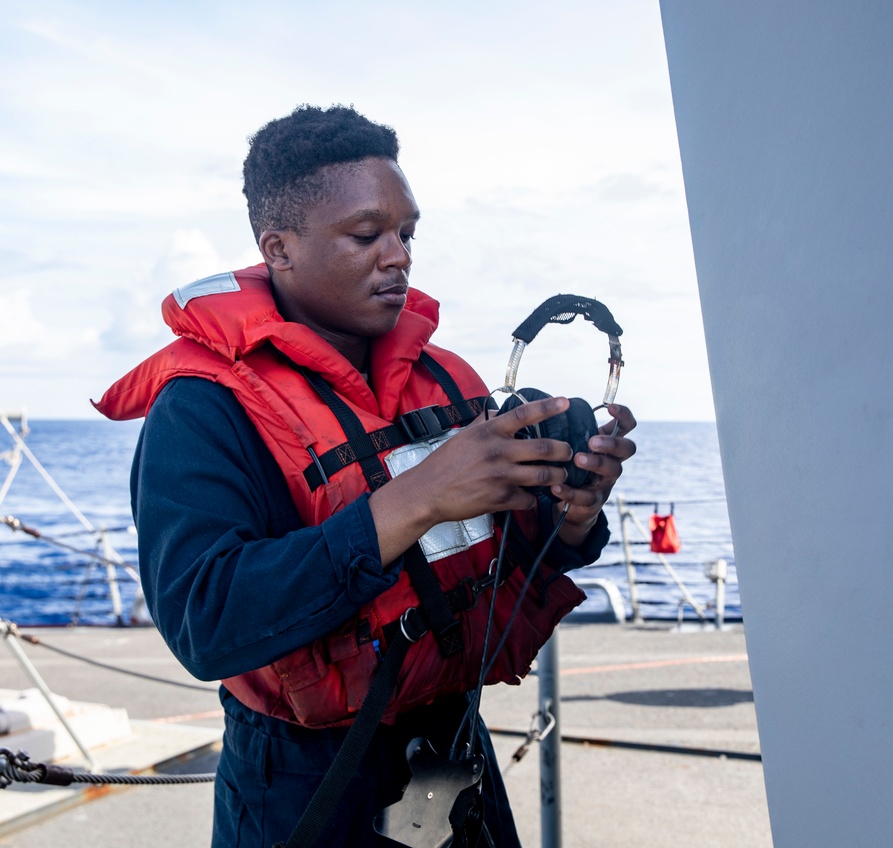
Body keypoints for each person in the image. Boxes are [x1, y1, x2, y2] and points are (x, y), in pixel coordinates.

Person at [96, 104, 636, 847]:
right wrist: (415, 499)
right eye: (365, 235)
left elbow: (494, 555)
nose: (399, 256)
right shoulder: (201, 408)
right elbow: (205, 623)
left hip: (453, 755)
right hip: (300, 781)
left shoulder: (446, 378)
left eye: (406, 233)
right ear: (278, 249)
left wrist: (571, 514)